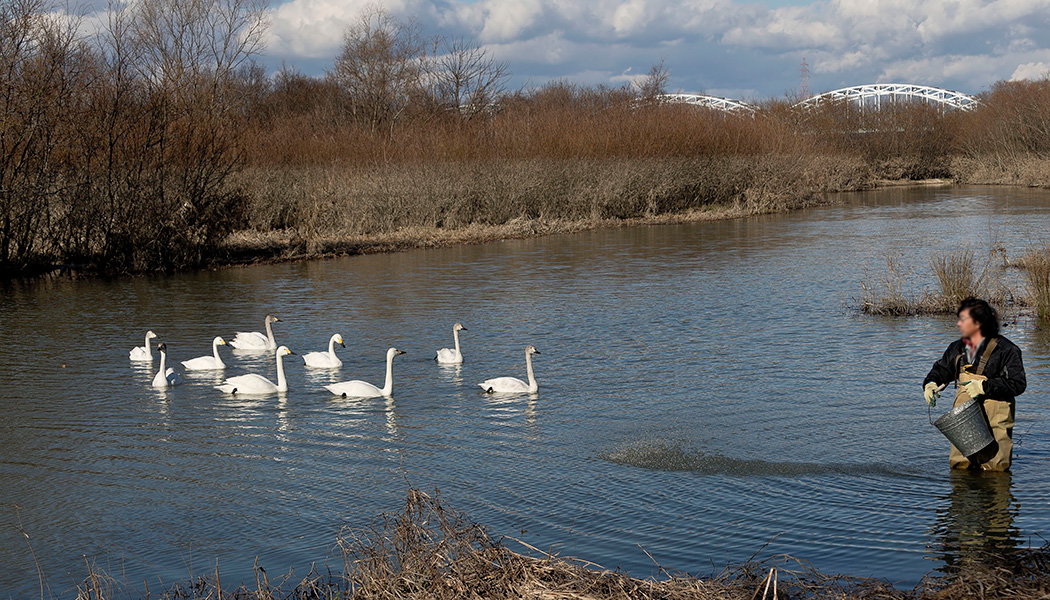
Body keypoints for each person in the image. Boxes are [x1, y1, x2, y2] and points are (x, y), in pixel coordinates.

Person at [923, 297, 1026, 471]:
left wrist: (984, 387)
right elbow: (941, 370)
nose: (958, 324)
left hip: (997, 414)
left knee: (996, 470)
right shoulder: (957, 348)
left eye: (963, 319)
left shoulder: (1008, 350)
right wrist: (931, 383)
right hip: (963, 418)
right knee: (960, 466)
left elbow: (1018, 384)